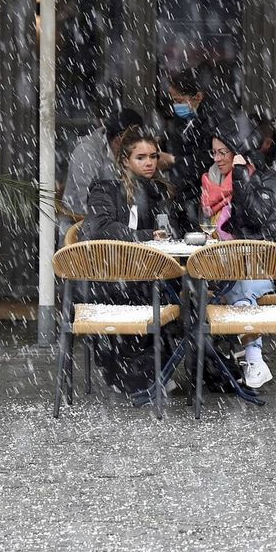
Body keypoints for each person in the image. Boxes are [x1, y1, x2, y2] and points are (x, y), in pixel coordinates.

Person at [81, 127, 184, 396]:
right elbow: (99, 228)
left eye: (153, 156)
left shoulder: (158, 190)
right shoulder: (107, 185)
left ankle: (166, 368)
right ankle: (143, 372)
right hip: (112, 279)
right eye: (141, 157)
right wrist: (143, 236)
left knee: (193, 299)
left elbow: (172, 228)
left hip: (149, 274)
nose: (149, 162)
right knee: (181, 302)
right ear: (125, 160)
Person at [205, 114, 276, 389]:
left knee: (240, 289)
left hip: (270, 262)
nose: (217, 158)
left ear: (239, 153)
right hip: (229, 262)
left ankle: (253, 358)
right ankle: (238, 361)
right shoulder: (213, 183)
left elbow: (256, 219)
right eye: (214, 152)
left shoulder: (266, 179)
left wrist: (241, 178)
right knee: (208, 290)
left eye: (223, 152)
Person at [60, 108, 144, 235]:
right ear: (119, 140)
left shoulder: (124, 155)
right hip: (81, 232)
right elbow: (88, 204)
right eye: (135, 143)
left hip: (118, 227)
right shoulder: (87, 152)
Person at [164, 66, 223, 227]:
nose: (175, 106)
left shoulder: (213, 121)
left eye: (179, 101)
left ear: (198, 97)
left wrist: (174, 161)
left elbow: (207, 160)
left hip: (201, 196)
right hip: (183, 195)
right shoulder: (181, 121)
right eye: (173, 100)